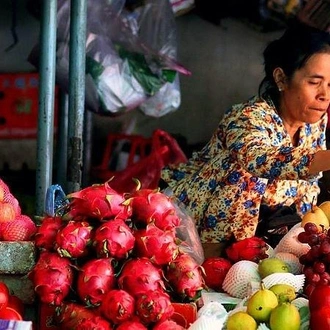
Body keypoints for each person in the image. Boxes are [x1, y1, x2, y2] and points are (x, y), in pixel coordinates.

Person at [161, 21, 330, 250]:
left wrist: (302, 240)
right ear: (281, 78)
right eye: (314, 82)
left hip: (264, 227)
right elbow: (261, 160)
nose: (324, 95)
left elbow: (309, 184)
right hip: (196, 224)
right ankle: (213, 261)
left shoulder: (315, 121)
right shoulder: (246, 117)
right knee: (243, 173)